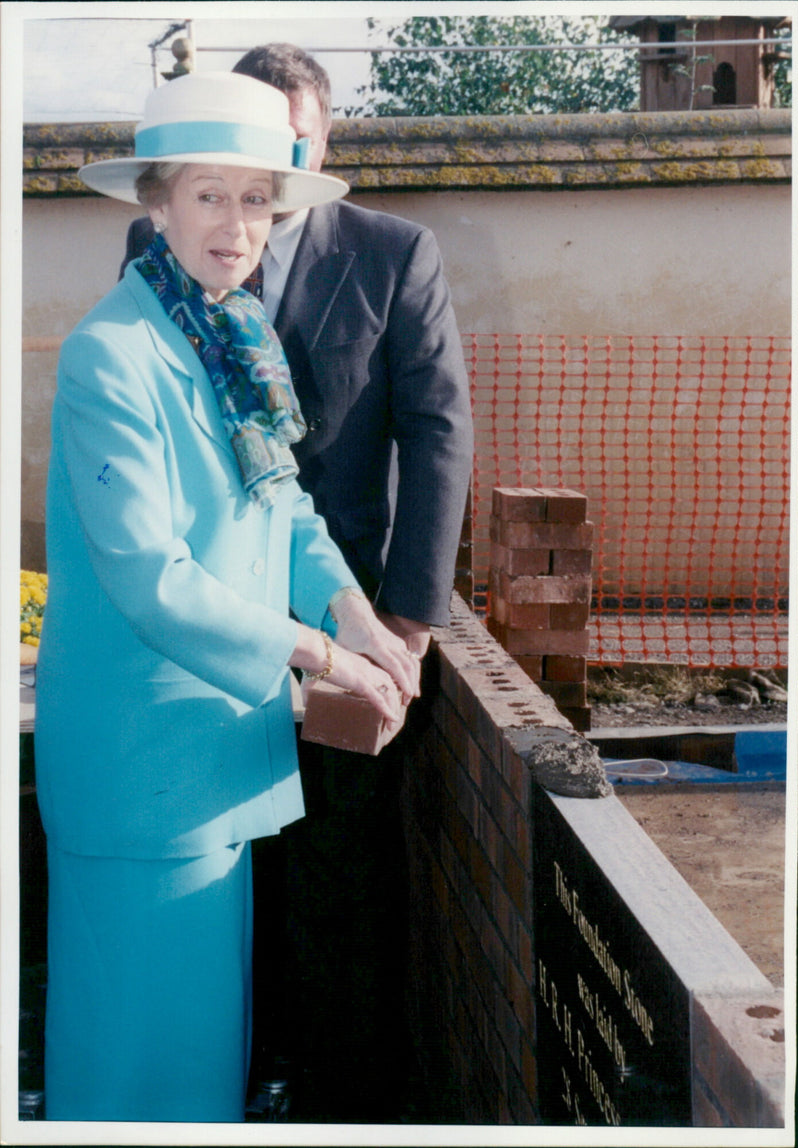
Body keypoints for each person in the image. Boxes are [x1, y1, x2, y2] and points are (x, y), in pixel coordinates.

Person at [34, 70, 420, 1124]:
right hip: (138, 772)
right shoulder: (111, 356)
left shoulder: (225, 336)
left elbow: (283, 502)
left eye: (256, 199)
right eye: (210, 195)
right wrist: (325, 658)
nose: (236, 224)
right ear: (156, 203)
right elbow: (152, 579)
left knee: (202, 1066)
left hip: (209, 762)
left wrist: (351, 610)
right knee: (131, 1076)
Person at [121, 44, 474, 1122]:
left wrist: (404, 618)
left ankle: (347, 1090)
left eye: (293, 142)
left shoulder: (394, 251)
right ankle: (248, 1069)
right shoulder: (157, 241)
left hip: (344, 607)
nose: (264, 172)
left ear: (322, 146)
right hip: (210, 617)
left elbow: (438, 429)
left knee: (340, 864)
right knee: (227, 855)